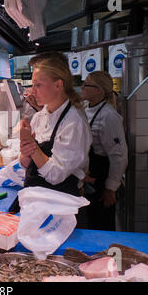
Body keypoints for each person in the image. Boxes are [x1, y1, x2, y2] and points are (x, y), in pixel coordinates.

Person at [18, 52, 92, 226]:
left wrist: (32, 146)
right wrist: (25, 153)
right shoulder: (38, 117)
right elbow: (25, 164)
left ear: (58, 85)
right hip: (36, 205)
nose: (32, 91)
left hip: (61, 212)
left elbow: (55, 175)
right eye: (32, 84)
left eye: (38, 85)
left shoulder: (74, 122)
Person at [80, 71, 128, 231]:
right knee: (90, 220)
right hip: (90, 173)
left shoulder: (109, 116)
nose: (82, 87)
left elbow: (119, 156)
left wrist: (110, 188)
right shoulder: (87, 108)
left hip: (102, 176)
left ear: (99, 90)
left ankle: (106, 255)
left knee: (102, 223)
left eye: (86, 85)